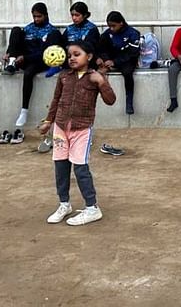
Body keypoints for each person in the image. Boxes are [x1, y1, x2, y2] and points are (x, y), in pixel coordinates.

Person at [39, 41, 116, 226]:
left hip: (82, 129)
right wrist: (48, 121)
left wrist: (102, 82)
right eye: (70, 55)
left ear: (88, 57)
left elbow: (111, 100)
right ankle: (64, 204)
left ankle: (92, 208)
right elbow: (56, 100)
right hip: (60, 127)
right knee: (60, 167)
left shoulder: (95, 77)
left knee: (81, 168)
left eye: (76, 54)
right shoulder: (64, 76)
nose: (72, 58)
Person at [0, 2, 63, 144]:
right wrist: (12, 53)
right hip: (24, 58)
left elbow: (46, 54)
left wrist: (26, 58)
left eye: (39, 16)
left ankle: (24, 110)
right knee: (16, 30)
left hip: (39, 61)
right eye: (34, 16)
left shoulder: (52, 32)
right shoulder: (28, 29)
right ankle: (11, 61)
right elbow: (19, 44)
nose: (36, 19)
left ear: (45, 15)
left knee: (28, 74)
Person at [96, 11, 141, 115]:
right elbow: (101, 48)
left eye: (113, 26)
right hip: (110, 59)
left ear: (121, 23)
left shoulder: (133, 33)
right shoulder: (108, 34)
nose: (111, 28)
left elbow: (133, 53)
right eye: (109, 26)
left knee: (127, 73)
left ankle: (129, 101)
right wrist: (104, 58)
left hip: (127, 60)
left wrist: (115, 62)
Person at [46, 1, 101, 77]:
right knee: (54, 34)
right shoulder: (69, 29)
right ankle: (55, 65)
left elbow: (91, 48)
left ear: (84, 15)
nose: (74, 18)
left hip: (85, 60)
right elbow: (63, 44)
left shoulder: (91, 29)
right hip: (70, 57)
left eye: (77, 15)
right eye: (72, 15)